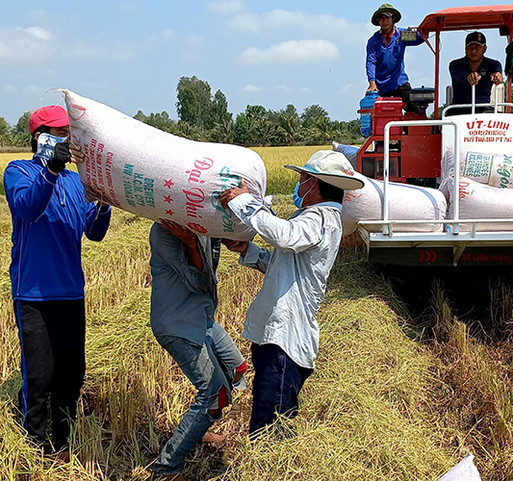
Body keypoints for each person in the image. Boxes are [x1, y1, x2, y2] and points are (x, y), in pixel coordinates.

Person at [218, 151, 364, 433]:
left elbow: (284, 237)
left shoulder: (321, 218)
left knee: (270, 430)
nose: (298, 185)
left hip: (284, 343)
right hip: (276, 339)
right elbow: (283, 264)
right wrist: (248, 250)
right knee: (268, 419)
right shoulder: (313, 217)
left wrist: (245, 201)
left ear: (313, 182)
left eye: (302, 178)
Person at [4, 105, 112, 458]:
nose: (67, 139)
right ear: (39, 137)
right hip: (33, 293)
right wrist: (51, 169)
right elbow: (28, 207)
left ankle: (63, 443)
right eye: (59, 134)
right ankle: (34, 448)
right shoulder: (18, 171)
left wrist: (103, 203)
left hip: (70, 292)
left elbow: (94, 232)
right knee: (39, 377)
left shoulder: (76, 181)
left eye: (69, 133)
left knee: (71, 375)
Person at [148, 219, 248, 480]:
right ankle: (166, 468)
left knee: (237, 368)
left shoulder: (199, 224)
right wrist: (191, 244)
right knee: (216, 395)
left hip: (202, 317)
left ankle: (196, 427)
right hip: (177, 322)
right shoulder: (164, 232)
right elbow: (200, 283)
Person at [366, 3, 425, 113]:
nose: (385, 21)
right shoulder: (373, 41)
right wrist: (372, 82)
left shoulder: (401, 35)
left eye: (387, 17)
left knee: (413, 108)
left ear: (393, 19)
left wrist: (423, 29)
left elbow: (421, 38)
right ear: (378, 21)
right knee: (377, 113)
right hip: (381, 84)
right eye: (382, 18)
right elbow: (371, 62)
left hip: (399, 81)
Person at [447, 31, 504, 116]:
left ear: (484, 49)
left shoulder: (493, 65)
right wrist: (469, 77)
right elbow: (460, 76)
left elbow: (497, 72)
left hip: (484, 110)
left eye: (477, 47)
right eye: (470, 47)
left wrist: (498, 77)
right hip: (459, 111)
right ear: (466, 49)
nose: (474, 51)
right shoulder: (455, 65)